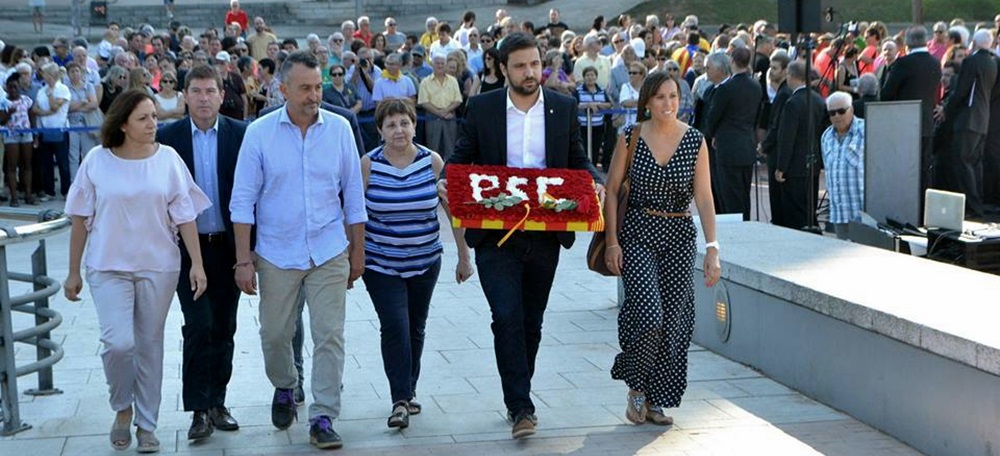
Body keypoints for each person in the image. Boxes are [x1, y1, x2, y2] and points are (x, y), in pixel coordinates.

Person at [438, 32, 603, 440]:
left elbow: (578, 161)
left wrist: (595, 182)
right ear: (502, 68)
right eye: (520, 66)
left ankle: (519, 387)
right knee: (506, 317)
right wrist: (446, 180)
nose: (530, 73)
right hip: (496, 237)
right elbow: (461, 156)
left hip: (546, 235)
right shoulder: (482, 107)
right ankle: (521, 406)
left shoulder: (563, 107)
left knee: (531, 321)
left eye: (534, 65)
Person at [230, 51, 365, 450]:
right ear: (282, 89)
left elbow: (354, 197)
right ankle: (286, 385)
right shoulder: (259, 133)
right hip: (276, 252)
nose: (313, 95)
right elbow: (242, 201)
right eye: (305, 88)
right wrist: (243, 260)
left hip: (328, 250)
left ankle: (323, 416)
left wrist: (358, 252)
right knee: (274, 335)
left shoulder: (340, 128)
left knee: (330, 336)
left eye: (318, 87)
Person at [63, 89, 210, 453]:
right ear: (124, 124)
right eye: (144, 118)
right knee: (118, 343)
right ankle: (122, 408)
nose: (153, 124)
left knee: (149, 345)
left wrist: (197, 264)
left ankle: (147, 424)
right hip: (107, 265)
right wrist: (72, 272)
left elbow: (186, 215)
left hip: (158, 265)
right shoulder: (97, 160)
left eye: (155, 117)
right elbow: (80, 219)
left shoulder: (169, 159)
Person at [603, 55, 720, 431]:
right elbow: (610, 190)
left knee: (673, 321)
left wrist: (713, 248)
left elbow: (704, 197)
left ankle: (654, 399)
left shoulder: (695, 140)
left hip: (679, 235)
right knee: (649, 313)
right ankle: (637, 384)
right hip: (637, 231)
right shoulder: (631, 135)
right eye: (661, 97)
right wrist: (612, 242)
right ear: (648, 101)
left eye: (674, 96)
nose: (669, 103)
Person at [360, 98, 473, 429]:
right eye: (391, 124)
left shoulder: (432, 161)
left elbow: (453, 211)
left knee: (415, 325)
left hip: (425, 261)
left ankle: (408, 390)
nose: (399, 130)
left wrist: (464, 256)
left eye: (405, 123)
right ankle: (399, 399)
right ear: (380, 130)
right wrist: (352, 258)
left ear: (414, 125)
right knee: (394, 325)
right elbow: (355, 214)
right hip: (381, 263)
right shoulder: (368, 164)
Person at [155, 64, 248, 443]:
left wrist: (249, 252)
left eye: (211, 91)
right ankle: (197, 408)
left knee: (225, 326)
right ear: (185, 96)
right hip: (185, 252)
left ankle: (217, 403)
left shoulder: (242, 135)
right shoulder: (167, 139)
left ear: (222, 95)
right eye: (196, 91)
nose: (204, 98)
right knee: (198, 325)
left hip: (228, 247)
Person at [881, 26, 942, 213]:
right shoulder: (934, 62)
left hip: (904, 124)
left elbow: (885, 94)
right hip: (926, 123)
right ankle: (925, 210)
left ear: (907, 43)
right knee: (924, 169)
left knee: (904, 171)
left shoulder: (903, 63)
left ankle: (905, 209)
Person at [941, 30, 997, 218]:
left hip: (969, 119)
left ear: (973, 42)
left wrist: (946, 109)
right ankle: (977, 202)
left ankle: (971, 206)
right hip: (983, 119)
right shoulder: (992, 62)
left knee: (963, 162)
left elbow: (962, 91)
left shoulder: (971, 62)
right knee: (975, 163)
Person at [704, 47, 761, 221]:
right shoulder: (756, 86)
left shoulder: (726, 89)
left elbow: (713, 118)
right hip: (747, 145)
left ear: (732, 62)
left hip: (728, 147)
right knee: (744, 194)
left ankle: (736, 233)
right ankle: (746, 227)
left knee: (730, 197)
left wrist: (712, 134)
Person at [775, 60, 827, 231]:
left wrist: (781, 167)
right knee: (809, 208)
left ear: (791, 76)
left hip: (794, 167)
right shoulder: (819, 100)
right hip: (813, 163)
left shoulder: (793, 103)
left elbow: (787, 137)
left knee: (795, 212)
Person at [821, 92, 865, 239]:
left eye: (841, 111)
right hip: (839, 213)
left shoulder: (866, 130)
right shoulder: (826, 137)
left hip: (862, 213)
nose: (837, 116)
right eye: (832, 113)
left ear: (851, 110)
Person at [32, 62, 71, 200]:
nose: (44, 77)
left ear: (52, 75)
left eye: (46, 74)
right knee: (46, 163)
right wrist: (45, 113)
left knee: (62, 163)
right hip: (44, 130)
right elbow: (35, 109)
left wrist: (50, 94)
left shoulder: (63, 89)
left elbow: (55, 106)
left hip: (60, 130)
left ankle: (66, 191)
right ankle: (49, 191)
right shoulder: (41, 90)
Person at [418, 54, 462, 159]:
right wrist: (440, 113)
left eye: (442, 63)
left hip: (450, 117)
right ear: (432, 65)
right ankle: (434, 174)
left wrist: (446, 111)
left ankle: (450, 173)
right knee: (433, 149)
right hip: (432, 118)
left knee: (450, 148)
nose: (440, 66)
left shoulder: (453, 80)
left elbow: (458, 100)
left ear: (446, 65)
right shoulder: (425, 82)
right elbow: (424, 102)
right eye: (437, 63)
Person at [1, 73, 35, 206]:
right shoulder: (4, 102)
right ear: (7, 89)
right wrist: (8, 113)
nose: (13, 90)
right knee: (11, 167)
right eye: (10, 88)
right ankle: (14, 197)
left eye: (15, 87)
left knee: (27, 165)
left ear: (19, 87)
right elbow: (1, 121)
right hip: (11, 136)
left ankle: (28, 194)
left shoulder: (26, 100)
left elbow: (32, 117)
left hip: (26, 134)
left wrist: (35, 135)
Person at [66, 61, 99, 186]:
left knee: (88, 154)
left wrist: (77, 106)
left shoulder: (88, 86)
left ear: (81, 72)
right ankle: (74, 183)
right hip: (72, 124)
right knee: (73, 155)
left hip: (86, 124)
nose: (75, 74)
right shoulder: (66, 88)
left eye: (77, 71)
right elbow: (67, 107)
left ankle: (89, 183)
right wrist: (83, 103)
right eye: (72, 71)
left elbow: (94, 104)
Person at [575, 66, 612, 168]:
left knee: (596, 148)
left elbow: (609, 104)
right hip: (583, 126)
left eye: (592, 75)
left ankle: (594, 168)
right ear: (584, 77)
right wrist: (588, 105)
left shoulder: (601, 90)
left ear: (596, 77)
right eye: (587, 75)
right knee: (584, 149)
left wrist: (598, 104)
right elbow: (574, 105)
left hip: (598, 125)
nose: (590, 77)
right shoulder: (578, 91)